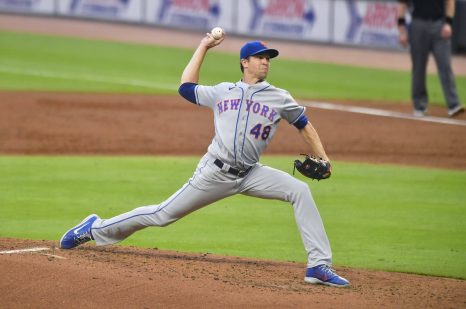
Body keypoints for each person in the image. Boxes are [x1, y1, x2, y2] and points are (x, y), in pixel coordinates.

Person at [59, 34, 350, 287]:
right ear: (244, 63)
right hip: (215, 173)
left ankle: (318, 265)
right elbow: (186, 87)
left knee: (299, 190)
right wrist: (204, 47)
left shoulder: (280, 97)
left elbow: (304, 124)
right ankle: (95, 228)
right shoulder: (223, 91)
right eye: (259, 57)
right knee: (162, 215)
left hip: (251, 173)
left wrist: (324, 157)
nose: (265, 62)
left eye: (268, 58)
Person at [397, 0, 464, 117]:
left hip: (439, 24)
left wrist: (448, 22)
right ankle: (419, 106)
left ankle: (453, 104)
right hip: (418, 24)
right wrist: (402, 31)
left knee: (445, 65)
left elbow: (450, 2)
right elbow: (402, 4)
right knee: (418, 67)